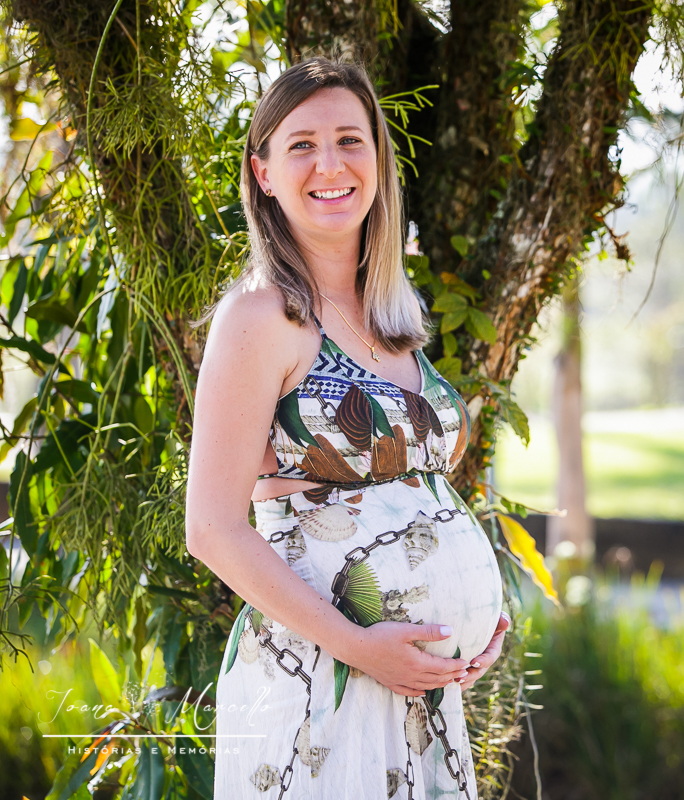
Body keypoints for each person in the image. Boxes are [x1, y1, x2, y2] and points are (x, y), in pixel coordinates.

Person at [185, 57, 508, 800]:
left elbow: (419, 491)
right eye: (301, 145)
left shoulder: (395, 315)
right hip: (320, 689)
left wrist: (474, 616)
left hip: (422, 696)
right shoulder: (260, 317)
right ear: (263, 173)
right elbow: (211, 529)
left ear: (379, 159)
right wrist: (360, 646)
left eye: (349, 140)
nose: (329, 165)